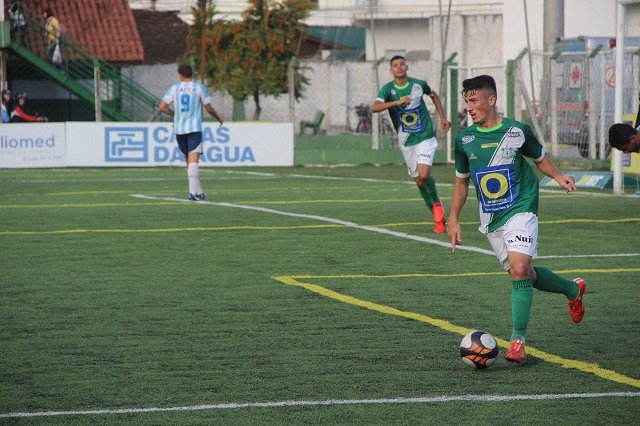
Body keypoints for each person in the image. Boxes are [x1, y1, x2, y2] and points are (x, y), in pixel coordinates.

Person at [447, 75, 586, 364]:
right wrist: (454, 218)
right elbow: (461, 182)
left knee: (520, 266)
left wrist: (559, 176)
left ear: (491, 100)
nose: (469, 107)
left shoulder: (516, 131)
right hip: (491, 217)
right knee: (522, 273)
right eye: (466, 102)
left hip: (522, 207)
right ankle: (572, 289)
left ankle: (517, 341)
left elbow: (539, 157)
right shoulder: (464, 140)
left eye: (473, 101)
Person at [372, 55, 451, 233]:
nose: (399, 67)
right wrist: (397, 102)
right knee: (419, 182)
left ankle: (438, 206)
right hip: (406, 142)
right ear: (391, 70)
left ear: (407, 67)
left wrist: (443, 117)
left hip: (425, 136)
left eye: (401, 64)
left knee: (424, 175)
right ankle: (436, 214)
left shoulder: (418, 85)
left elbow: (434, 95)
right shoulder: (388, 89)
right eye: (395, 65)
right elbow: (374, 107)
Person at [158, 63, 223, 201]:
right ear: (191, 74)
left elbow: (162, 107)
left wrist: (174, 115)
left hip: (179, 129)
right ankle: (193, 193)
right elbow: (209, 108)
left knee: (188, 161)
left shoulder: (174, 88)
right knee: (194, 161)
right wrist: (218, 118)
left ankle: (197, 192)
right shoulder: (199, 88)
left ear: (180, 74)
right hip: (194, 128)